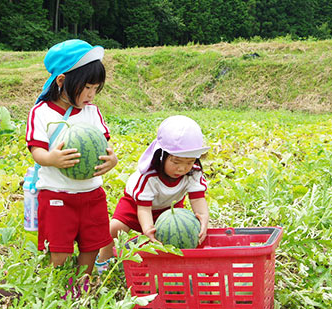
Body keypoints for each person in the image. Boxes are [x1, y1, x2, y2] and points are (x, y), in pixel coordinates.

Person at [26, 39, 118, 277]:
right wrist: (52, 158)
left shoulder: (92, 112)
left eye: (96, 88)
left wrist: (112, 161)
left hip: (91, 194)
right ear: (62, 81)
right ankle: (62, 287)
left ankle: (83, 283)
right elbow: (36, 150)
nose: (91, 95)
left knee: (92, 245)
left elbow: (104, 145)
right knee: (59, 250)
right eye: (87, 87)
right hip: (57, 193)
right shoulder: (42, 112)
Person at [95, 115, 210, 271]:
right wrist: (148, 228)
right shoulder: (149, 176)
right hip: (135, 206)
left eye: (189, 162)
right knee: (114, 229)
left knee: (176, 234)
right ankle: (104, 260)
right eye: (176, 162)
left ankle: (171, 264)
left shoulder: (194, 173)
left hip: (169, 210)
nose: (182, 168)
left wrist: (203, 219)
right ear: (161, 155)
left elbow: (198, 200)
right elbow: (143, 208)